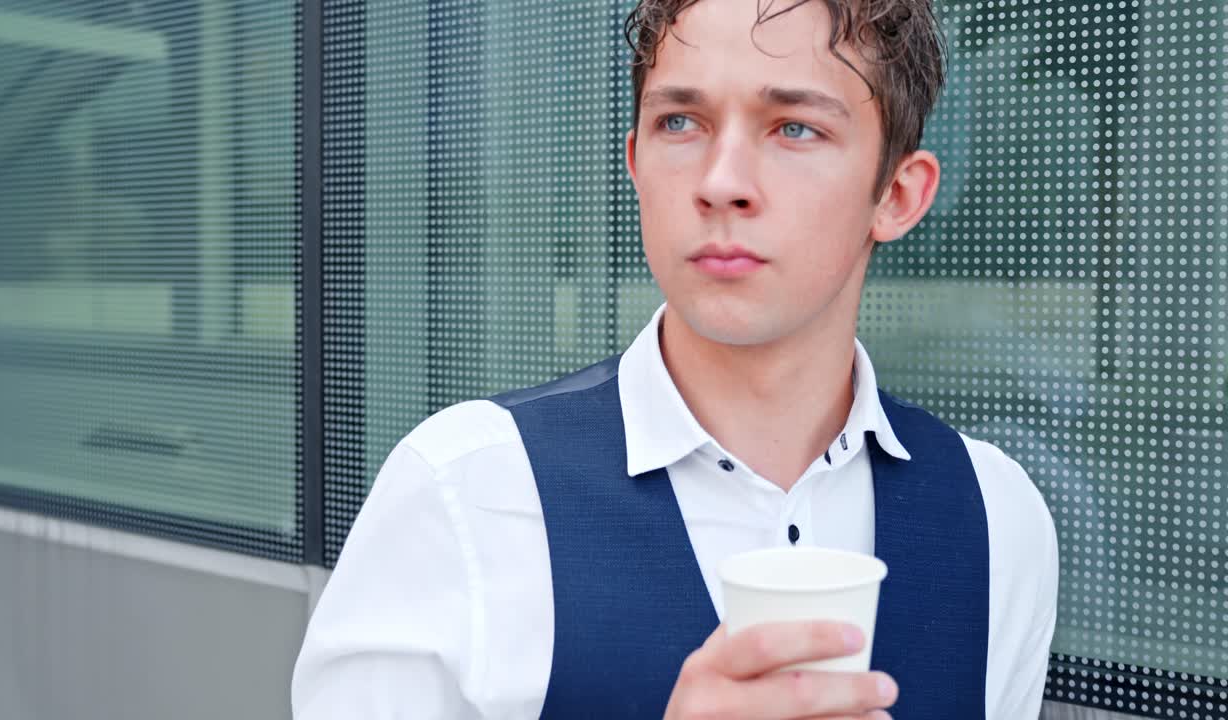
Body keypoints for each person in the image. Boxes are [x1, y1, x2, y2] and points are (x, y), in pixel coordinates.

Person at [291, 0, 1059, 717]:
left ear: (897, 194)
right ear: (635, 164)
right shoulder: (464, 493)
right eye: (681, 122)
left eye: (794, 128)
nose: (721, 183)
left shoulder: (998, 517)